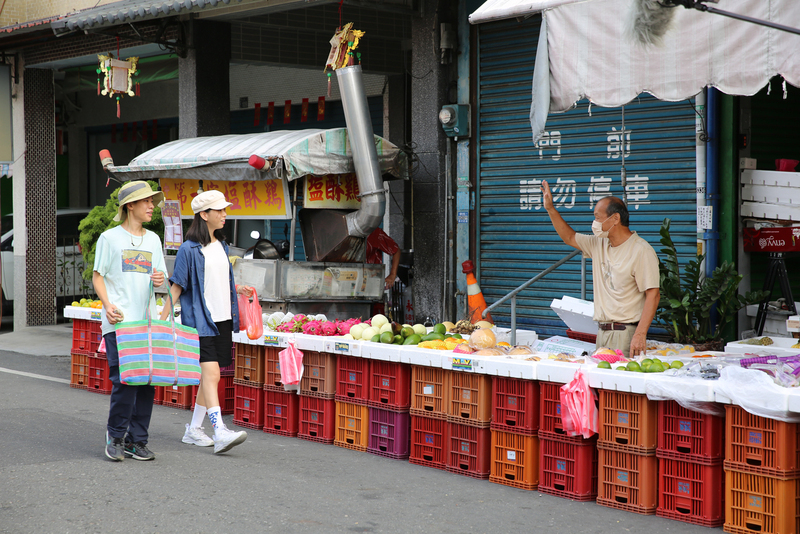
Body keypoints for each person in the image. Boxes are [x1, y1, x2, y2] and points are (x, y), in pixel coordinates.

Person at [159, 190, 252, 454]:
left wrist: (238, 288)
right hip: (200, 321)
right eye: (219, 210)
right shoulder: (189, 249)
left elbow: (217, 281)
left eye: (224, 210)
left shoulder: (221, 245)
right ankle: (220, 431)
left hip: (223, 319)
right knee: (211, 375)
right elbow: (178, 286)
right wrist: (161, 320)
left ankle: (193, 430)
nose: (224, 214)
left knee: (211, 378)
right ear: (204, 214)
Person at [94, 180, 168, 461]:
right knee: (125, 382)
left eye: (153, 201)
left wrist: (159, 279)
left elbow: (159, 276)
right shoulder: (109, 238)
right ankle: (115, 436)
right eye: (147, 201)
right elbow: (97, 275)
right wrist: (107, 305)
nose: (152, 206)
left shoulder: (153, 240)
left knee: (147, 382)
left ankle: (137, 440)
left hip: (146, 322)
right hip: (120, 323)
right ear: (130, 206)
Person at [541, 181, 660, 357]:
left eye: (598, 217)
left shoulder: (641, 250)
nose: (595, 223)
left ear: (615, 219)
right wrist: (551, 209)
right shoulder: (599, 244)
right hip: (602, 332)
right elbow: (569, 237)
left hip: (626, 333)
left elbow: (653, 294)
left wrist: (640, 334)